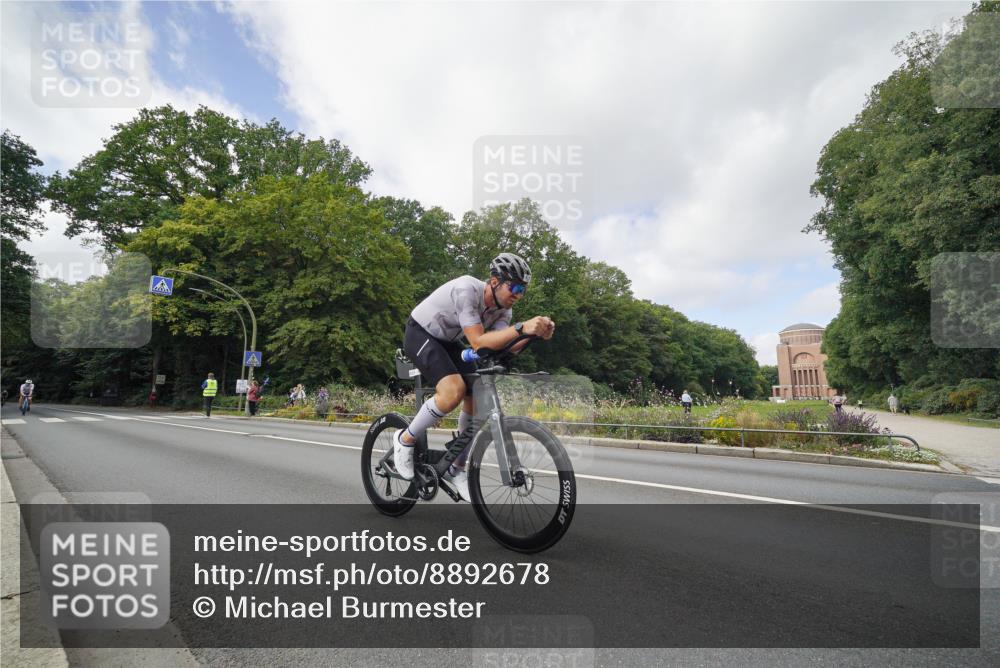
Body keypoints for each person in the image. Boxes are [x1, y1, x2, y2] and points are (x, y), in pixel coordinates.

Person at [393, 253, 554, 502]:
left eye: (523, 290)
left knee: (477, 394)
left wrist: (533, 335)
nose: (519, 295)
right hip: (420, 332)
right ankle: (405, 439)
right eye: (515, 287)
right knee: (453, 390)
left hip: (448, 341)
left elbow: (502, 345)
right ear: (494, 281)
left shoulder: (504, 312)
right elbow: (479, 342)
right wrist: (523, 328)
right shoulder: (466, 289)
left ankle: (457, 467)